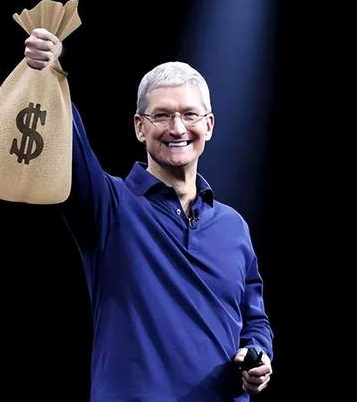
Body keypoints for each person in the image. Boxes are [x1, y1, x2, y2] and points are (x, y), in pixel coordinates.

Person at [24, 28, 273, 401]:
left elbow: (254, 319)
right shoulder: (109, 205)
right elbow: (68, 144)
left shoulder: (233, 226)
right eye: (162, 115)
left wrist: (258, 355)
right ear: (140, 127)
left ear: (209, 125)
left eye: (189, 114)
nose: (177, 128)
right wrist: (50, 74)